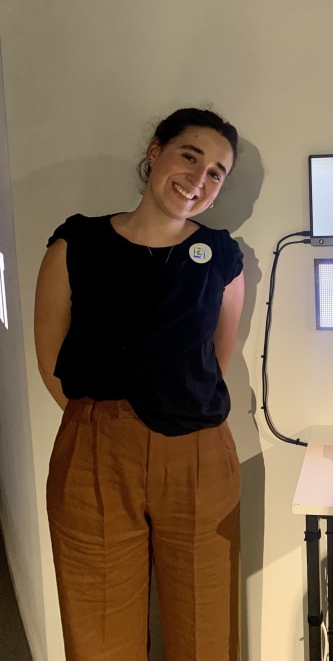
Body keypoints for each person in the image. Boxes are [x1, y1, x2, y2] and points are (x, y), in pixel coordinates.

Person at [34, 107, 245, 661]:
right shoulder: (75, 245)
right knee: (98, 626)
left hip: (198, 454)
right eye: (189, 156)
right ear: (155, 152)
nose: (198, 179)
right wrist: (106, 424)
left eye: (216, 172)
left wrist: (173, 405)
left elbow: (216, 358)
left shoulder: (221, 257)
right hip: (95, 454)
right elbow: (52, 360)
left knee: (206, 626)